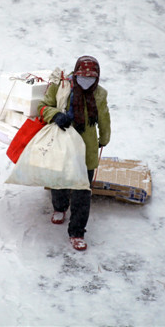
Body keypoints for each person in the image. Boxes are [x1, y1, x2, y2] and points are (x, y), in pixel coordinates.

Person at [37, 55, 111, 251]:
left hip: (86, 149)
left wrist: (104, 138)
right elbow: (43, 107)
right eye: (82, 77)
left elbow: (104, 118)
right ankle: (59, 207)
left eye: (91, 79)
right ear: (75, 74)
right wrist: (56, 115)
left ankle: (77, 231)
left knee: (82, 191)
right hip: (62, 143)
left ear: (97, 79)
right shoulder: (61, 87)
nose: (86, 82)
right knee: (59, 179)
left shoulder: (100, 94)